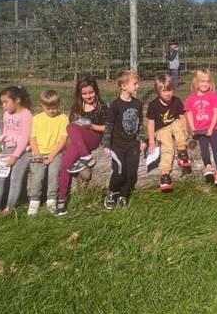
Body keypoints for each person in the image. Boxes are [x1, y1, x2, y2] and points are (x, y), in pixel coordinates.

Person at [56, 76, 107, 216]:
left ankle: (86, 157)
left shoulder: (101, 106)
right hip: (78, 141)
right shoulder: (76, 107)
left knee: (71, 126)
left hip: (94, 138)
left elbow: (107, 128)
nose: (88, 96)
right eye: (84, 93)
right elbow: (74, 130)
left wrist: (91, 126)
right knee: (66, 163)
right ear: (79, 94)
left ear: (96, 91)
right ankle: (61, 199)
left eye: (91, 92)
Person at [102, 70, 145, 209]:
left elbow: (140, 124)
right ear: (124, 86)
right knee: (120, 172)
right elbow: (109, 125)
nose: (138, 86)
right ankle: (112, 193)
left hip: (132, 144)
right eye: (135, 84)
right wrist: (107, 144)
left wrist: (142, 140)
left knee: (131, 172)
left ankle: (123, 195)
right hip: (117, 145)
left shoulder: (138, 104)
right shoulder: (115, 105)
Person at [0, 86, 33, 217]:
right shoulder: (6, 114)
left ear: (17, 100)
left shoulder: (26, 114)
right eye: (2, 103)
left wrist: (15, 156)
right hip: (8, 149)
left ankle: (9, 206)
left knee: (16, 176)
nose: (3, 106)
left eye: (6, 102)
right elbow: (5, 132)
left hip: (23, 151)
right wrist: (3, 149)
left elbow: (25, 138)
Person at [146, 73, 191, 192]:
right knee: (168, 146)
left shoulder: (176, 101)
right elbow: (150, 124)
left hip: (173, 124)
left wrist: (185, 130)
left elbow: (182, 117)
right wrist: (151, 141)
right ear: (158, 92)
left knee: (177, 125)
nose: (168, 93)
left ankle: (182, 152)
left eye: (170, 90)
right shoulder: (153, 105)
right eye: (164, 91)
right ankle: (165, 174)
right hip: (161, 129)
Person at [27, 90, 68, 215]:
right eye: (48, 108)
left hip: (55, 152)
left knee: (54, 173)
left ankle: (51, 200)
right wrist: (37, 154)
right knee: (37, 175)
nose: (51, 111)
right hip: (39, 152)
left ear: (59, 104)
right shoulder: (36, 119)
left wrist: (52, 155)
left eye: (54, 108)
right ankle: (34, 201)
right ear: (41, 105)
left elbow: (63, 139)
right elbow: (32, 138)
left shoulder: (63, 118)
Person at [185, 69, 217, 185]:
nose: (205, 84)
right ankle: (207, 166)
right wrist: (193, 128)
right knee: (203, 146)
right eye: (202, 81)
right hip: (200, 129)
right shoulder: (191, 98)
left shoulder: (213, 96)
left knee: (215, 145)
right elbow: (189, 113)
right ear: (196, 82)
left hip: (212, 128)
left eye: (207, 81)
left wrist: (211, 128)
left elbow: (216, 112)